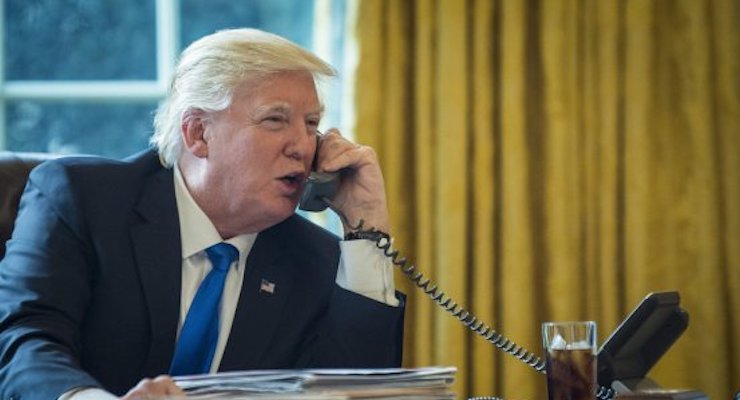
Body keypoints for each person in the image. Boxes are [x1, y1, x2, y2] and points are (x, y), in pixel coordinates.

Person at [0, 28, 404, 399]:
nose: (303, 145)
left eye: (312, 122)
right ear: (198, 133)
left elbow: (354, 390)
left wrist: (366, 234)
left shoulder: (316, 257)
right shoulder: (79, 200)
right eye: (275, 119)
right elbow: (24, 341)